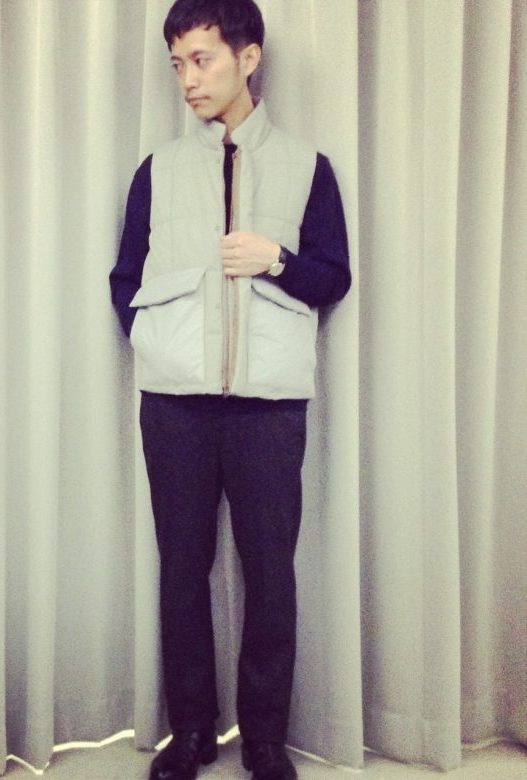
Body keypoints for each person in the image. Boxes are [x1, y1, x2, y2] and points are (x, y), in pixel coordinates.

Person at [110, 1, 350, 778]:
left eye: (202, 59)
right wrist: (156, 343)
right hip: (175, 407)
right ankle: (190, 732)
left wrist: (276, 259)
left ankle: (267, 739)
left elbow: (334, 278)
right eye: (177, 64)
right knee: (181, 572)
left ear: (248, 58)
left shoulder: (308, 167)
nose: (187, 79)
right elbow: (124, 280)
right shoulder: (157, 171)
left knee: (270, 574)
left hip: (269, 409)